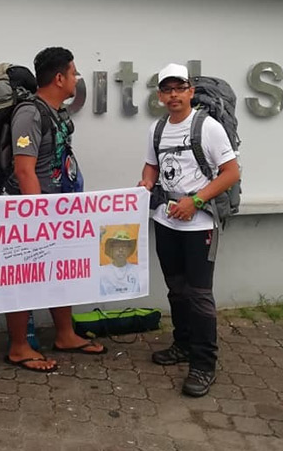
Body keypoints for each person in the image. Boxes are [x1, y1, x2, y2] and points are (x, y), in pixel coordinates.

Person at [138, 63, 240, 398]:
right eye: (167, 90)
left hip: (199, 224)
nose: (173, 95)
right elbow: (152, 165)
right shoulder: (157, 128)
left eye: (179, 88)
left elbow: (231, 172)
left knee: (198, 295)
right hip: (165, 220)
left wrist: (195, 201)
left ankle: (203, 364)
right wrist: (146, 183)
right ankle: (182, 345)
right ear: (160, 95)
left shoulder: (208, 127)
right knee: (176, 289)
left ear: (190, 92)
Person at [3, 46, 107, 372]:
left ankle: (65, 335)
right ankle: (19, 347)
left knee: (61, 270)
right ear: (59, 78)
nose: (76, 78)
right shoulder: (29, 114)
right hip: (33, 212)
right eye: (73, 73)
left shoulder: (57, 113)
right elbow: (24, 170)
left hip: (59, 210)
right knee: (24, 277)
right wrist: (37, 217)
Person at [99, 230, 140, 295]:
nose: (121, 250)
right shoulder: (102, 271)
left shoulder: (137, 270)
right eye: (117, 246)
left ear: (129, 250)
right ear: (111, 249)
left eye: (124, 246)